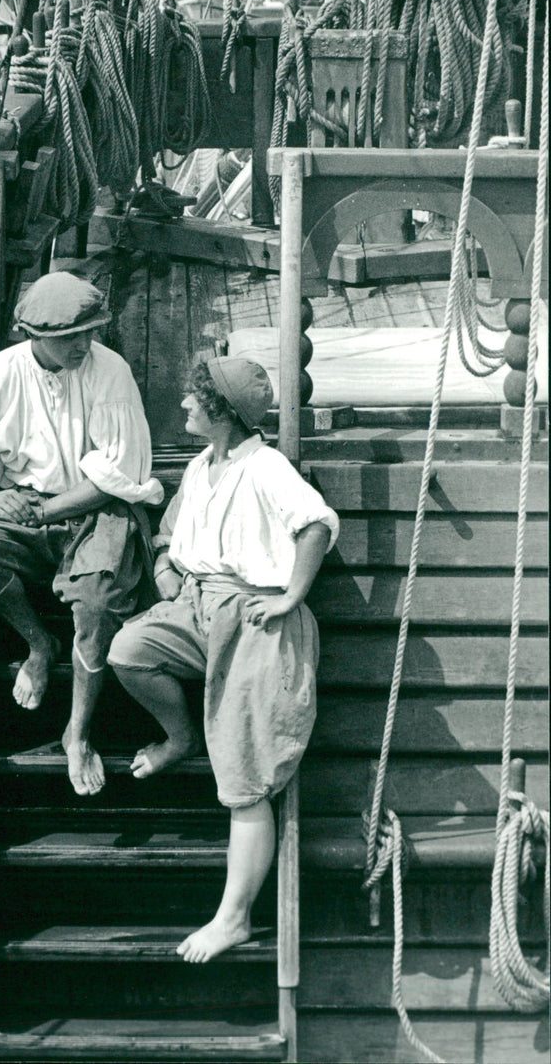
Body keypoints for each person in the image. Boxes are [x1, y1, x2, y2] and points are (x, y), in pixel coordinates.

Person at [108, 357, 339, 962]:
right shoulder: (199, 466)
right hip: (196, 605)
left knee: (243, 774)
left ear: (222, 411)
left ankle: (233, 918)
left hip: (254, 616)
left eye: (193, 398)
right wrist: (165, 567)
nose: (183, 405)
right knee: (128, 651)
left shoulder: (265, 466)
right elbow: (171, 530)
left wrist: (291, 595)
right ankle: (181, 736)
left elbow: (315, 524)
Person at [0, 272, 163, 795]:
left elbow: (117, 471)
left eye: (91, 332)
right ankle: (37, 644)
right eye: (70, 337)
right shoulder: (0, 374)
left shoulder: (110, 371)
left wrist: (50, 510)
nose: (84, 344)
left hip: (94, 507)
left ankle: (77, 730)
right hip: (27, 504)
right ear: (33, 335)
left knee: (96, 599)